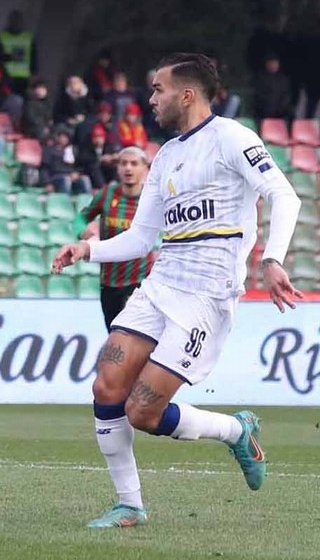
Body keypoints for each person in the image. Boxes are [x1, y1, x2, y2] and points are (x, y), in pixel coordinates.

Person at [52, 53, 302, 528]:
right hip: (161, 285)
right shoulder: (166, 155)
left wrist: (272, 258)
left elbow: (283, 195)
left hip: (207, 296)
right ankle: (130, 505)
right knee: (106, 383)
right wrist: (88, 251)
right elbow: (143, 238)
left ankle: (235, 430)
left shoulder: (232, 139)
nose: (151, 99)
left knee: (144, 411)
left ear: (187, 94)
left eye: (158, 89)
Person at [78, 147, 153, 330]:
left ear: (145, 168)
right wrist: (82, 229)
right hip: (110, 282)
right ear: (117, 168)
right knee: (114, 336)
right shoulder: (106, 194)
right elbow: (79, 219)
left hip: (141, 281)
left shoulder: (152, 197)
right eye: (123, 163)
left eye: (134, 163)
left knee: (136, 336)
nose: (128, 168)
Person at [0, 9, 36, 96]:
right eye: (14, 20)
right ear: (10, 21)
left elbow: (34, 58)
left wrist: (33, 74)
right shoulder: (1, 36)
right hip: (4, 75)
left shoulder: (28, 38)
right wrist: (10, 57)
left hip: (22, 78)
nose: (16, 23)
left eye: (19, 21)